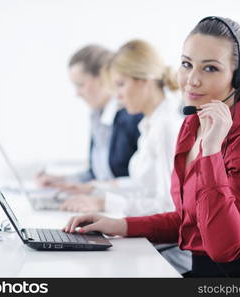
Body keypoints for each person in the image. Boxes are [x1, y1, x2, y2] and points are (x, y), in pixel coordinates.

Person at [63, 17, 240, 277]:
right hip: (203, 271)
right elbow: (189, 219)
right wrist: (119, 225)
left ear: (239, 78)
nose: (192, 79)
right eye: (186, 64)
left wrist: (211, 152)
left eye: (210, 68)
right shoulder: (192, 126)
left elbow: (225, 248)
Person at [59, 39, 184, 216]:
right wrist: (95, 190)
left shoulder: (166, 127)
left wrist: (105, 203)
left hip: (159, 242)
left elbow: (168, 206)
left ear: (144, 80)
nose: (117, 95)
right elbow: (143, 187)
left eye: (120, 85)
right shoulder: (149, 124)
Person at [36, 45, 142, 187]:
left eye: (80, 85)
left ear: (104, 78)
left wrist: (95, 191)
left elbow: (143, 183)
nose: (77, 93)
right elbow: (97, 174)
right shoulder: (97, 116)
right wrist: (61, 180)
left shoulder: (133, 116)